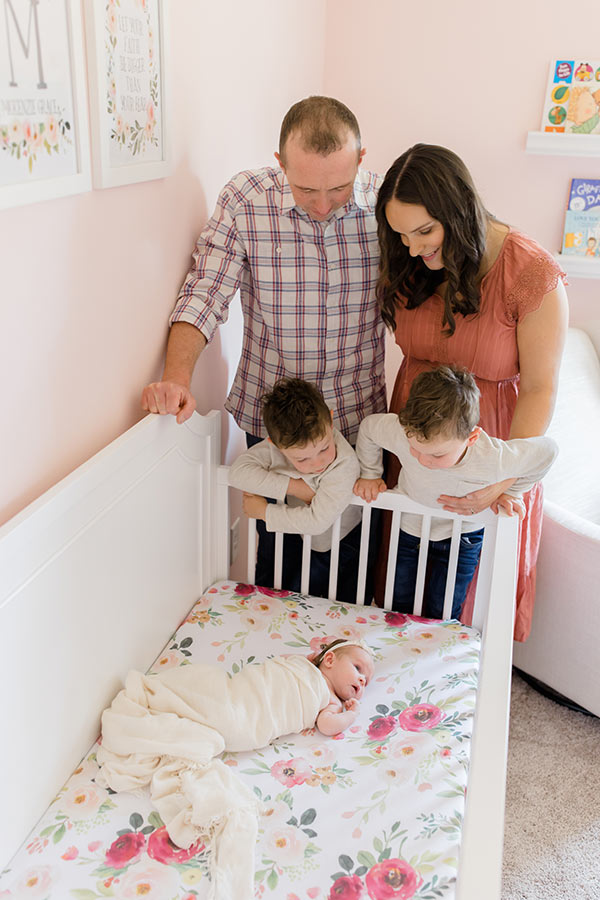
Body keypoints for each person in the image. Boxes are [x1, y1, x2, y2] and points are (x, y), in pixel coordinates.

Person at [141, 95, 385, 589]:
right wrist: (176, 377)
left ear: (361, 161)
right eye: (304, 188)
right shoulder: (245, 200)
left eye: (337, 188)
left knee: (346, 561)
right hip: (274, 424)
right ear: (280, 164)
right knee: (278, 556)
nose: (320, 206)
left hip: (355, 418)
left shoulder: (384, 206)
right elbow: (205, 292)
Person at [374, 143, 568, 640]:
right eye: (401, 234)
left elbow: (541, 388)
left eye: (425, 231)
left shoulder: (531, 273)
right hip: (418, 432)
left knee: (463, 585)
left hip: (486, 438)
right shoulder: (411, 260)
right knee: (404, 573)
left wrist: (503, 478)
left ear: (457, 213)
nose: (414, 248)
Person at [354, 365, 558, 618]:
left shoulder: (490, 456)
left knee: (444, 608)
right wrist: (370, 473)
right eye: (414, 449)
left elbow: (548, 451)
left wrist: (509, 491)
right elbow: (369, 429)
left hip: (462, 537)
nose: (424, 460)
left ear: (471, 438)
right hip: (409, 529)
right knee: (398, 603)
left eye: (437, 454)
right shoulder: (400, 431)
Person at [229, 377, 364, 600]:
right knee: (281, 588)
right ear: (275, 445)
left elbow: (317, 522)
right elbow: (238, 472)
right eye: (302, 459)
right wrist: (295, 487)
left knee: (319, 599)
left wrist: (264, 512)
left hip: (339, 543)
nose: (317, 463)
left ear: (331, 422)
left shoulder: (344, 465)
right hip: (304, 538)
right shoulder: (282, 445)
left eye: (324, 449)